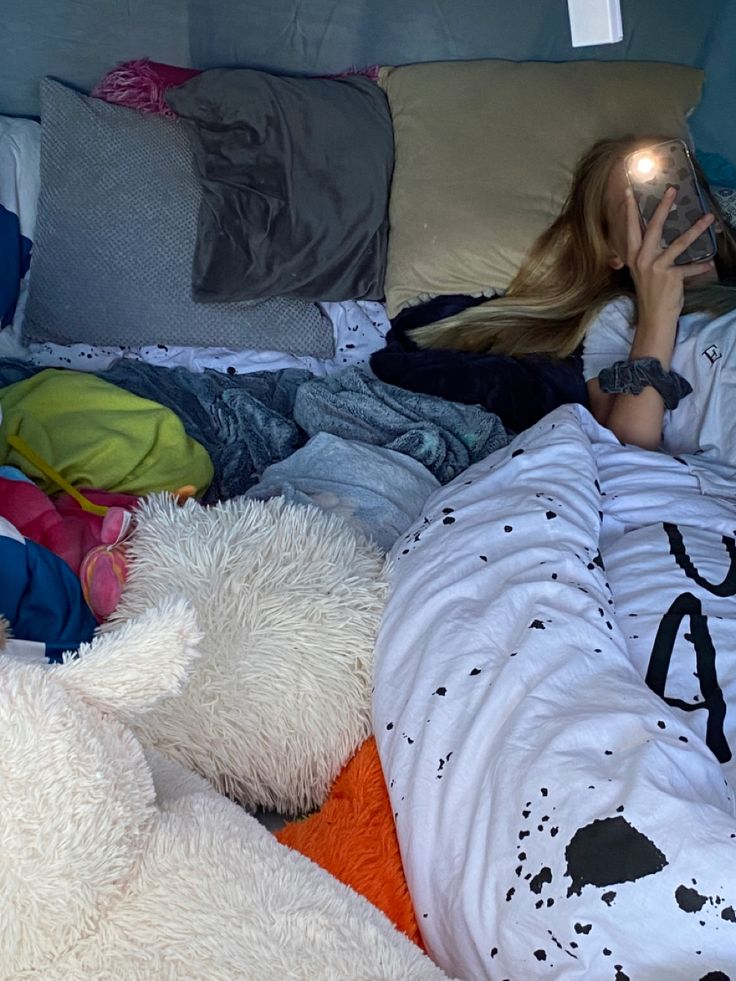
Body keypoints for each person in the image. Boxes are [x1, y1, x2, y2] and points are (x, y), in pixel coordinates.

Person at [410, 135, 736, 495]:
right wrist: (658, 315)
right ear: (613, 251)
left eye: (677, 193)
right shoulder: (621, 319)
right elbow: (627, 449)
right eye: (639, 204)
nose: (664, 212)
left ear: (714, 217)